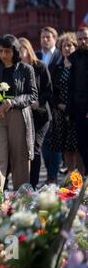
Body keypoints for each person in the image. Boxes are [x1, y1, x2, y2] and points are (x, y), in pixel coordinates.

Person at [0, 35, 38, 192]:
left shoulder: (26, 69)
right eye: (0, 51)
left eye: (7, 51)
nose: (3, 55)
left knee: (20, 158)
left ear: (15, 51)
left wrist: (13, 102)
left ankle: (21, 198)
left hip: (18, 116)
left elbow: (32, 95)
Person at [18, 37, 53, 188]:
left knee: (35, 148)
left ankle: (33, 184)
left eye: (21, 49)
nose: (18, 53)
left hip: (41, 114)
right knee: (25, 149)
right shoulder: (17, 69)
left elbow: (49, 90)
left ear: (27, 49)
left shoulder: (40, 66)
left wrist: (39, 101)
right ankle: (25, 183)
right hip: (24, 116)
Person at [49, 32, 85, 174]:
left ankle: (81, 179)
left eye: (70, 45)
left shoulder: (79, 65)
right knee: (65, 147)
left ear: (75, 47)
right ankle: (70, 179)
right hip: (60, 112)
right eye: (64, 46)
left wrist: (71, 106)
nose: (67, 48)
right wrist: (58, 104)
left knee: (77, 147)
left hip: (76, 110)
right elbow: (52, 90)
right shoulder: (57, 67)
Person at [36, 26, 63, 184]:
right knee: (45, 141)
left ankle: (54, 174)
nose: (44, 40)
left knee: (56, 141)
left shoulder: (60, 56)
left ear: (55, 39)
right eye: (42, 37)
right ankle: (49, 174)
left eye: (48, 37)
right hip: (41, 105)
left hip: (57, 105)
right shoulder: (38, 56)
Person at [67, 27, 88, 174]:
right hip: (78, 109)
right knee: (82, 146)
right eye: (80, 39)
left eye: (86, 38)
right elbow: (71, 85)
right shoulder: (73, 58)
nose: (83, 41)